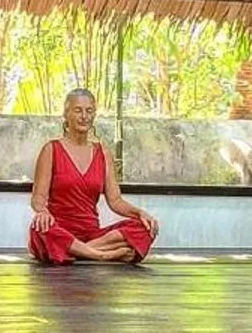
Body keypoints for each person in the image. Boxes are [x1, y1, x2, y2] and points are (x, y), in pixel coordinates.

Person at [28, 88, 158, 265]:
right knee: (40, 229)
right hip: (58, 230)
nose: (84, 116)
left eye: (89, 111)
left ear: (94, 115)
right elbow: (38, 198)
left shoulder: (102, 153)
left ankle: (76, 251)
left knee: (144, 227)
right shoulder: (51, 150)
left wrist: (140, 213)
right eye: (77, 110)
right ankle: (101, 255)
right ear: (66, 114)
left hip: (91, 233)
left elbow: (116, 201)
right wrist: (42, 212)